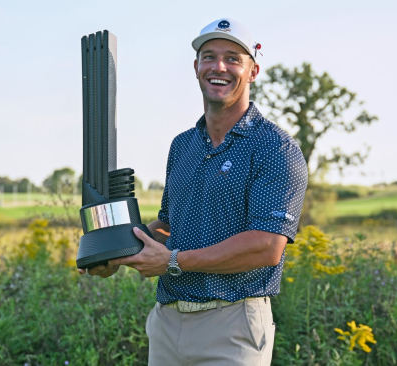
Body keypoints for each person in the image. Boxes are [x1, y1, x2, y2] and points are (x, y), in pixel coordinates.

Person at [79, 18, 308, 365]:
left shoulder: (275, 148)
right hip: (167, 323)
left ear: (253, 71)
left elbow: (266, 246)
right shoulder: (183, 146)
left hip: (232, 327)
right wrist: (116, 252)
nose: (219, 67)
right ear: (196, 67)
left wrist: (172, 261)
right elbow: (170, 225)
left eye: (233, 58)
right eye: (209, 57)